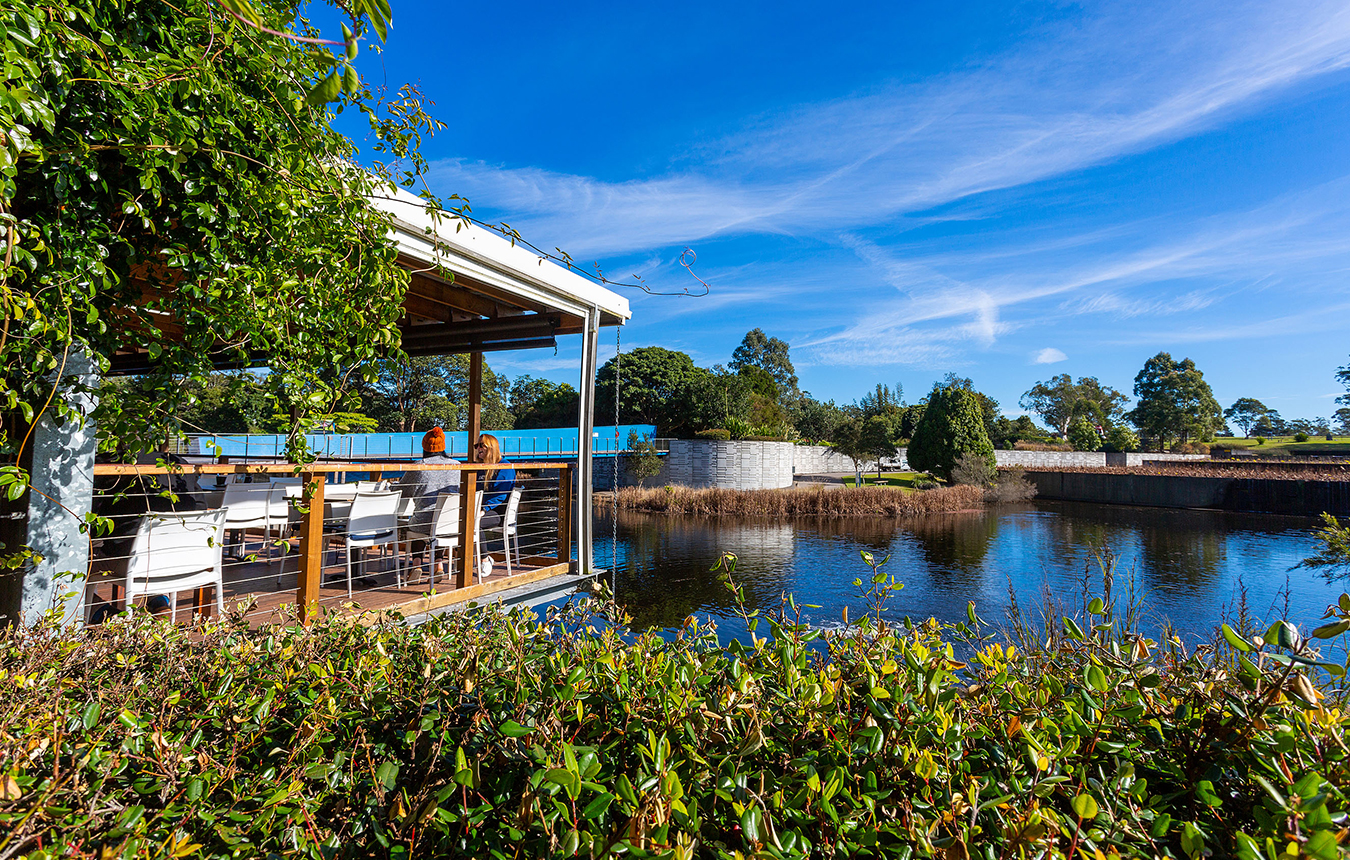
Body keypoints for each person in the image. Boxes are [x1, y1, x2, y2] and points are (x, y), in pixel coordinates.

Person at [395, 427, 460, 534]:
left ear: (424, 446)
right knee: (436, 525)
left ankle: (416, 551)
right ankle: (437, 550)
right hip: (450, 522)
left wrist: (393, 486)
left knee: (416, 522)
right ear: (443, 446)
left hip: (424, 522)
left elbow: (402, 491)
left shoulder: (419, 466)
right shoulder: (457, 465)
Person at [475, 434, 516, 565]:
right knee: (460, 520)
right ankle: (462, 561)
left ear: (491, 447)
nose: (478, 448)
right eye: (477, 446)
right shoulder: (479, 468)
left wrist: (484, 510)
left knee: (473, 523)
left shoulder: (505, 467)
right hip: (479, 510)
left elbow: (501, 495)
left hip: (498, 513)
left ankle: (484, 560)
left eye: (482, 445)